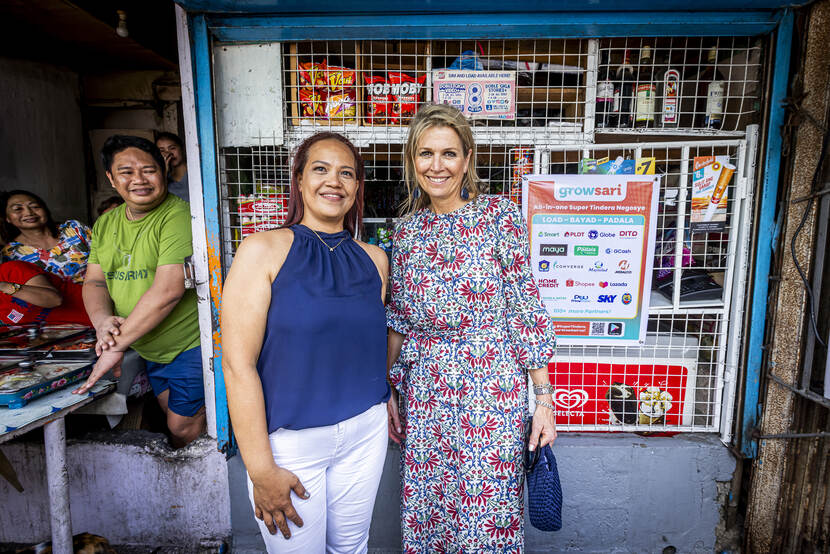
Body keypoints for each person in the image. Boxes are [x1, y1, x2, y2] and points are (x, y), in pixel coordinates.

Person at [385, 103, 558, 552]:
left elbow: (524, 304)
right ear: (412, 161)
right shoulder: (404, 233)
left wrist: (543, 402)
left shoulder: (500, 216)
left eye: (448, 153)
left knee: (489, 508)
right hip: (426, 391)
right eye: (425, 154)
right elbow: (400, 318)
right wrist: (387, 387)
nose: (436, 166)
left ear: (467, 159)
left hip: (490, 390)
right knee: (431, 508)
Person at [221, 132, 390, 552]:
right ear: (298, 180)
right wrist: (260, 469)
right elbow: (237, 365)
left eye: (346, 173)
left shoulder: (375, 259)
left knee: (352, 548)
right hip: (290, 444)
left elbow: (364, 343)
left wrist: (384, 395)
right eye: (321, 169)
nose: (334, 181)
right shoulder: (262, 250)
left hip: (366, 432)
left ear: (356, 188)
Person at [74, 135, 205, 448]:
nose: (139, 180)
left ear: (163, 170)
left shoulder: (179, 216)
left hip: (191, 344)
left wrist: (115, 346)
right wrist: (103, 322)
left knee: (182, 426)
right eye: (126, 172)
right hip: (148, 346)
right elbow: (94, 281)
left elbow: (169, 290)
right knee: (171, 417)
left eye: (148, 170)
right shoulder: (106, 223)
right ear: (111, 178)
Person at [1, 190, 92, 285]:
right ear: (7, 218)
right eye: (18, 209)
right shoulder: (9, 254)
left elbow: (105, 256)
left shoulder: (74, 229)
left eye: (34, 206)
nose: (29, 212)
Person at [0, 260, 62, 325]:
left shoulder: (9, 269)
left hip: (71, 325)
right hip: (53, 333)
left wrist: (5, 287)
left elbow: (54, 300)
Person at [156, 132, 189, 202]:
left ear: (182, 148)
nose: (168, 153)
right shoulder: (163, 178)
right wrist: (164, 171)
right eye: (162, 150)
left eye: (172, 148)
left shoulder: (196, 172)